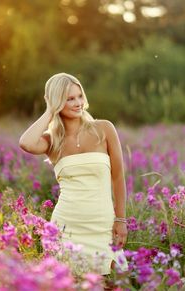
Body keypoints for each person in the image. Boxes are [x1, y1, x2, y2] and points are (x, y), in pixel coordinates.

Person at [19, 72, 128, 278]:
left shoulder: (104, 129)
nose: (78, 103)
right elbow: (26, 143)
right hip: (66, 226)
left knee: (116, 282)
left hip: (103, 224)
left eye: (79, 96)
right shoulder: (52, 141)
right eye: (70, 98)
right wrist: (50, 111)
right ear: (58, 102)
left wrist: (121, 220)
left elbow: (118, 177)